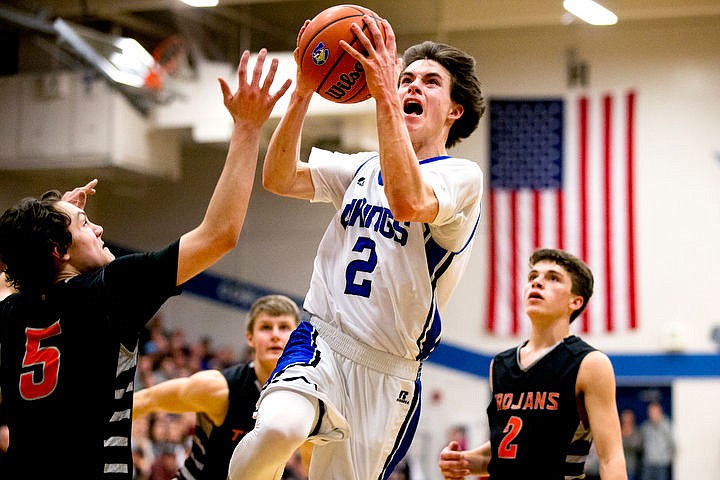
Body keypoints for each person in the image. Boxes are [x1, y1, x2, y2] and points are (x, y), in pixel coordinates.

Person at [0, 49, 290, 479]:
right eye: (85, 224)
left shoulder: (11, 311)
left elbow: (16, 259)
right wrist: (247, 128)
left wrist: (59, 216)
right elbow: (220, 234)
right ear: (58, 251)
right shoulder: (109, 289)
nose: (98, 228)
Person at [228, 13, 485, 480]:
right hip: (323, 339)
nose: (411, 87)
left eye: (430, 82)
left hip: (387, 373)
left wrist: (385, 91)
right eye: (405, 77)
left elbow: (408, 201)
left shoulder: (462, 178)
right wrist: (304, 89)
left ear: (454, 111)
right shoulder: (361, 168)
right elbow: (279, 177)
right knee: (278, 429)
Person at [438, 248, 627, 479]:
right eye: (533, 277)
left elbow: (611, 458)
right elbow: (507, 450)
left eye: (553, 278)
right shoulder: (500, 365)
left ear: (575, 301)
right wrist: (463, 461)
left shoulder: (589, 364)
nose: (537, 283)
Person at [132, 294, 307, 480]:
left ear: (296, 337)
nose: (275, 335)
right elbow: (143, 400)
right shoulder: (217, 388)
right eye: (265, 327)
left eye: (283, 327)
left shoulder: (303, 398)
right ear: (250, 337)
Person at [639, 401, 674, 480]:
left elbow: (673, 444)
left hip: (661, 465)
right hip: (648, 464)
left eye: (654, 412)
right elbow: (641, 443)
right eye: (650, 412)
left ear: (659, 411)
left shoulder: (666, 426)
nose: (651, 414)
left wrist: (667, 458)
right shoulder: (645, 427)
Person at [621, 408, 643, 480]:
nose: (627, 420)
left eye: (628, 418)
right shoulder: (618, 431)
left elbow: (639, 446)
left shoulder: (636, 432)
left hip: (631, 466)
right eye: (625, 417)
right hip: (619, 466)